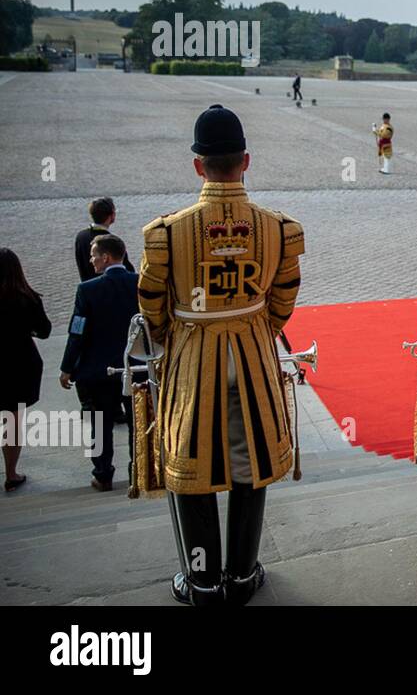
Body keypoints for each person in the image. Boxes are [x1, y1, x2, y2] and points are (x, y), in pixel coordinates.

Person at [138, 104, 305, 605]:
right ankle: (242, 574)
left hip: (193, 354)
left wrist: (179, 333)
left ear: (197, 165)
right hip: (253, 353)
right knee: (249, 464)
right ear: (246, 161)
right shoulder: (278, 227)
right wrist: (257, 327)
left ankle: (204, 582)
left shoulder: (166, 232)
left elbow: (151, 304)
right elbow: (286, 297)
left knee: (192, 467)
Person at [58, 234, 139, 492]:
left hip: (98, 369)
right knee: (137, 422)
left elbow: (77, 332)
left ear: (106, 257)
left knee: (99, 424)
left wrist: (67, 367)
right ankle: (138, 470)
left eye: (94, 256)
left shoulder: (87, 290)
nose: (91, 261)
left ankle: (103, 474)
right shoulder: (139, 284)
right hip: (133, 365)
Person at [0, 249, 51, 493]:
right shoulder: (27, 298)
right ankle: (11, 473)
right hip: (19, 364)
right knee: (11, 421)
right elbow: (44, 330)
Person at [75, 197, 134, 282]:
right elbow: (127, 270)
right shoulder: (112, 242)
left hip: (87, 289)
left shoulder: (80, 236)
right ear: (112, 215)